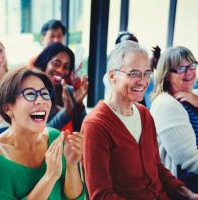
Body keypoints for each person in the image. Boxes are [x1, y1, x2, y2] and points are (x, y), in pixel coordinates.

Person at [82, 41, 198, 199]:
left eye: (147, 73)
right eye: (134, 73)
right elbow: (101, 195)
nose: (143, 81)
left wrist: (189, 195)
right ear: (112, 75)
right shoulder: (96, 125)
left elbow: (157, 168)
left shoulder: (144, 114)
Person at [0, 67, 85, 200]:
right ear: (8, 108)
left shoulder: (55, 137)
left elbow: (74, 198)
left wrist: (72, 164)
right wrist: (49, 177)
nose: (41, 100)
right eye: (30, 94)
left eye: (44, 94)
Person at [150, 46, 198, 193]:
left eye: (192, 65)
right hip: (186, 184)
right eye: (181, 68)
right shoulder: (166, 104)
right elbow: (189, 160)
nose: (189, 72)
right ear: (167, 75)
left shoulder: (192, 95)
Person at [34, 42, 88, 132]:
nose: (60, 70)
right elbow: (39, 132)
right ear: (45, 62)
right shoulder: (34, 93)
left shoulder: (70, 91)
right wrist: (66, 113)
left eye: (66, 67)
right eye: (56, 64)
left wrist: (79, 105)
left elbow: (82, 130)